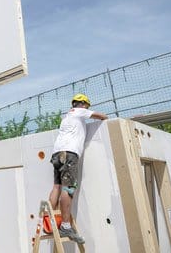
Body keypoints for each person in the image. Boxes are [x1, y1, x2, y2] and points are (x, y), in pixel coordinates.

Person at [48, 94, 108, 243]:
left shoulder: (66, 117)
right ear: (82, 104)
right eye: (87, 106)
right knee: (68, 189)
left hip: (57, 153)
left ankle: (49, 221)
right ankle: (66, 227)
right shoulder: (78, 111)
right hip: (69, 153)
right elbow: (102, 116)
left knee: (57, 186)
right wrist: (107, 119)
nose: (87, 109)